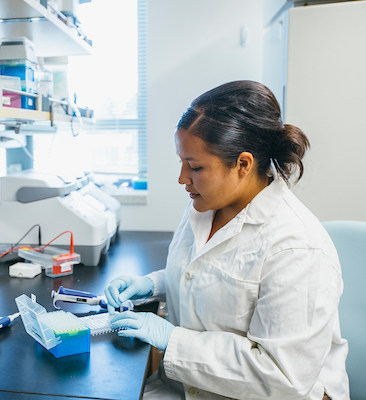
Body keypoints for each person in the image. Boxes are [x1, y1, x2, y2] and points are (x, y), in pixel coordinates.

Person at [104, 81, 349, 400]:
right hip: (192, 388)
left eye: (194, 166)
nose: (182, 178)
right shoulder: (206, 204)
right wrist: (155, 285)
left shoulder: (296, 246)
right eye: (182, 162)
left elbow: (281, 377)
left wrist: (173, 340)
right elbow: (214, 277)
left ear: (243, 164)